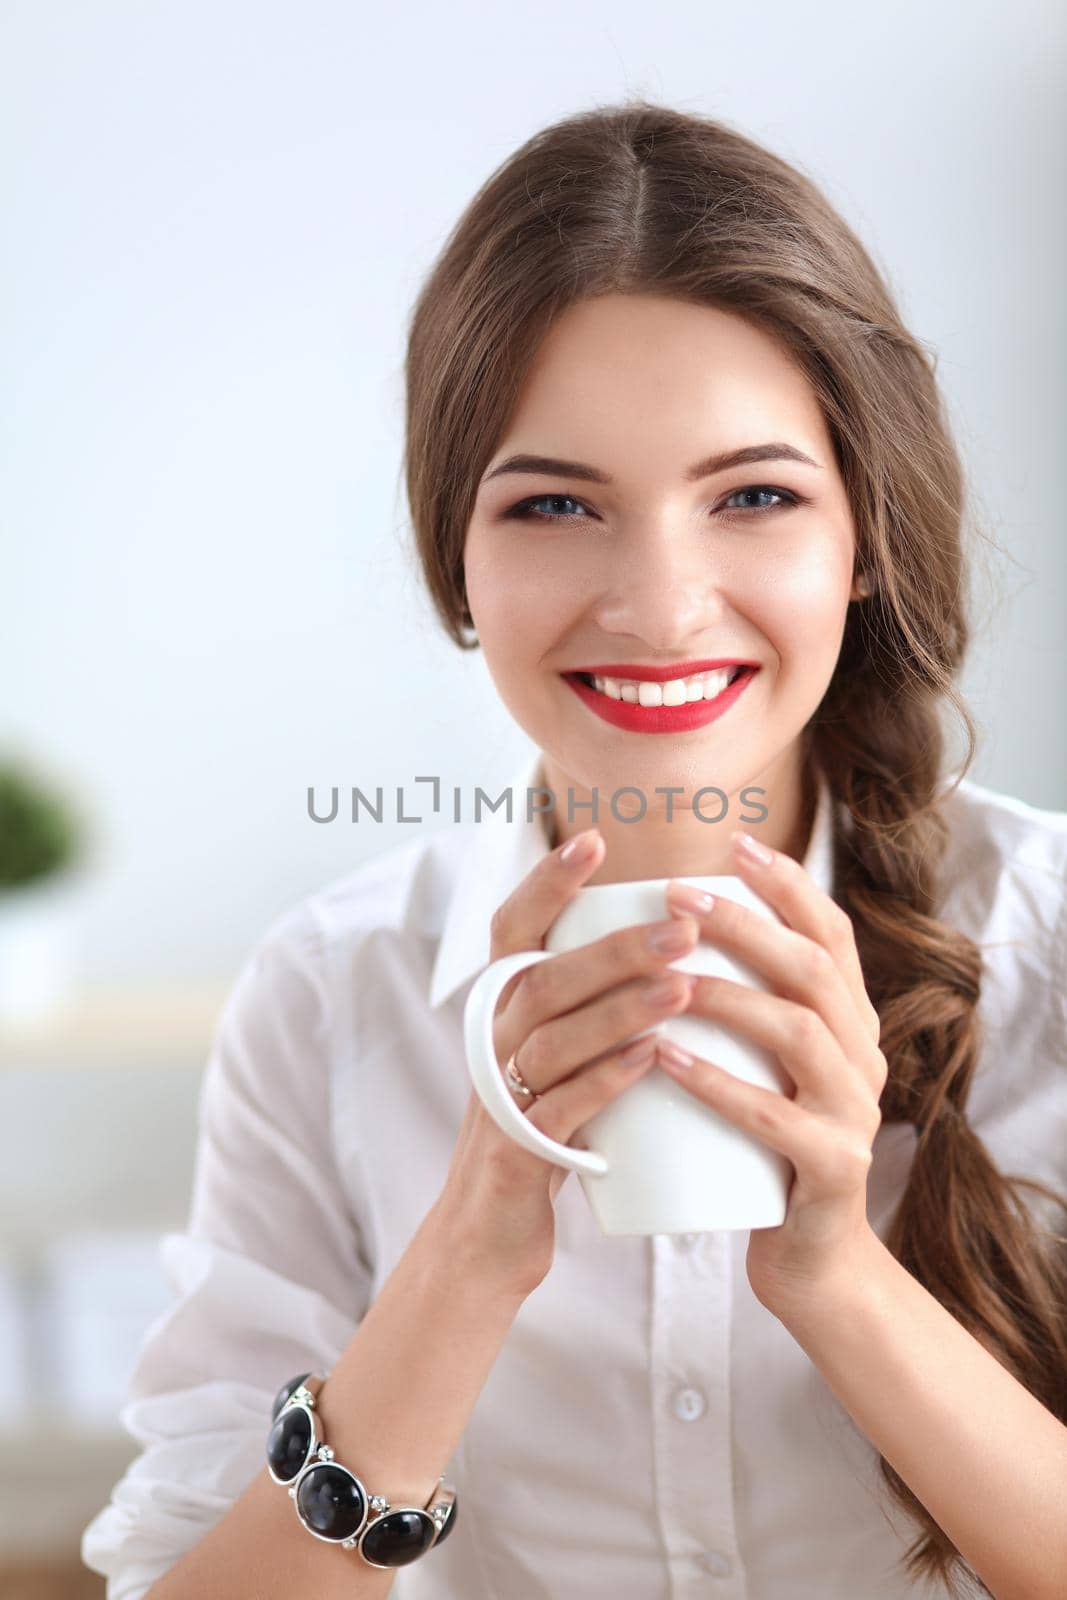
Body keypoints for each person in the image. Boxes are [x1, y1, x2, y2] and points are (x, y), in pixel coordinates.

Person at [82, 99, 1067, 1600]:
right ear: (454, 556)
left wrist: (839, 1280)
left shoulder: (1047, 944)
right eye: (554, 503)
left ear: (862, 535)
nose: (661, 608)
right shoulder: (337, 993)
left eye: (754, 497)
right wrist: (472, 1243)